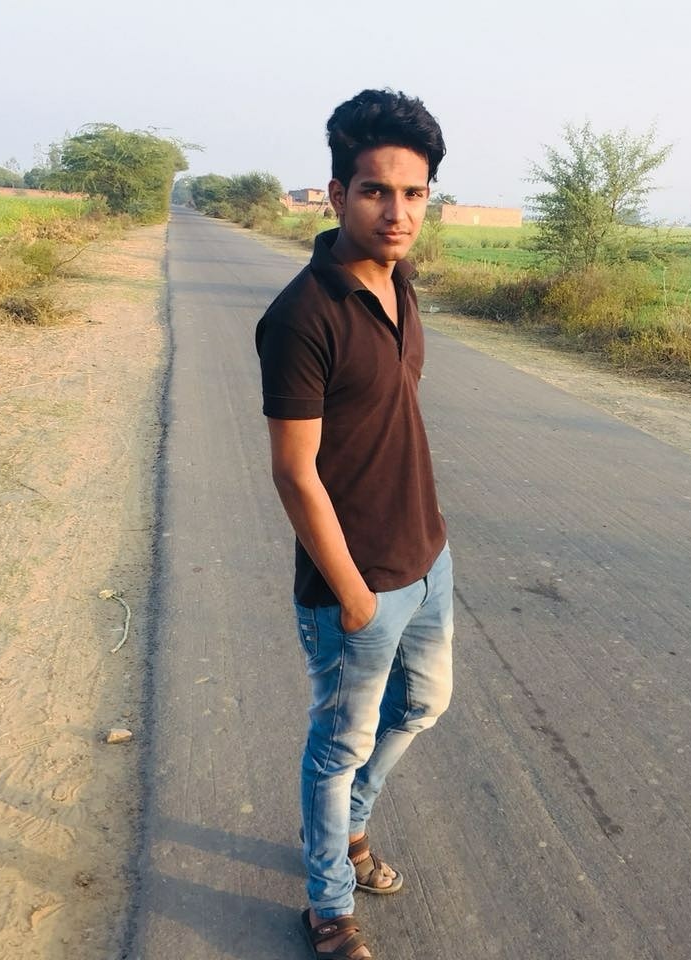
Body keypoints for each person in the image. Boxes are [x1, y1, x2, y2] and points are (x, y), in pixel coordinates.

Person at [255, 89, 454, 960]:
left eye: (414, 194)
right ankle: (328, 902)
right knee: (338, 748)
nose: (398, 211)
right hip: (356, 582)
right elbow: (294, 472)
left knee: (423, 706)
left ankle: (349, 827)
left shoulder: (401, 282)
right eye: (376, 191)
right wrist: (353, 594)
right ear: (337, 193)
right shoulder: (302, 316)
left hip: (428, 560)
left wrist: (426, 555)